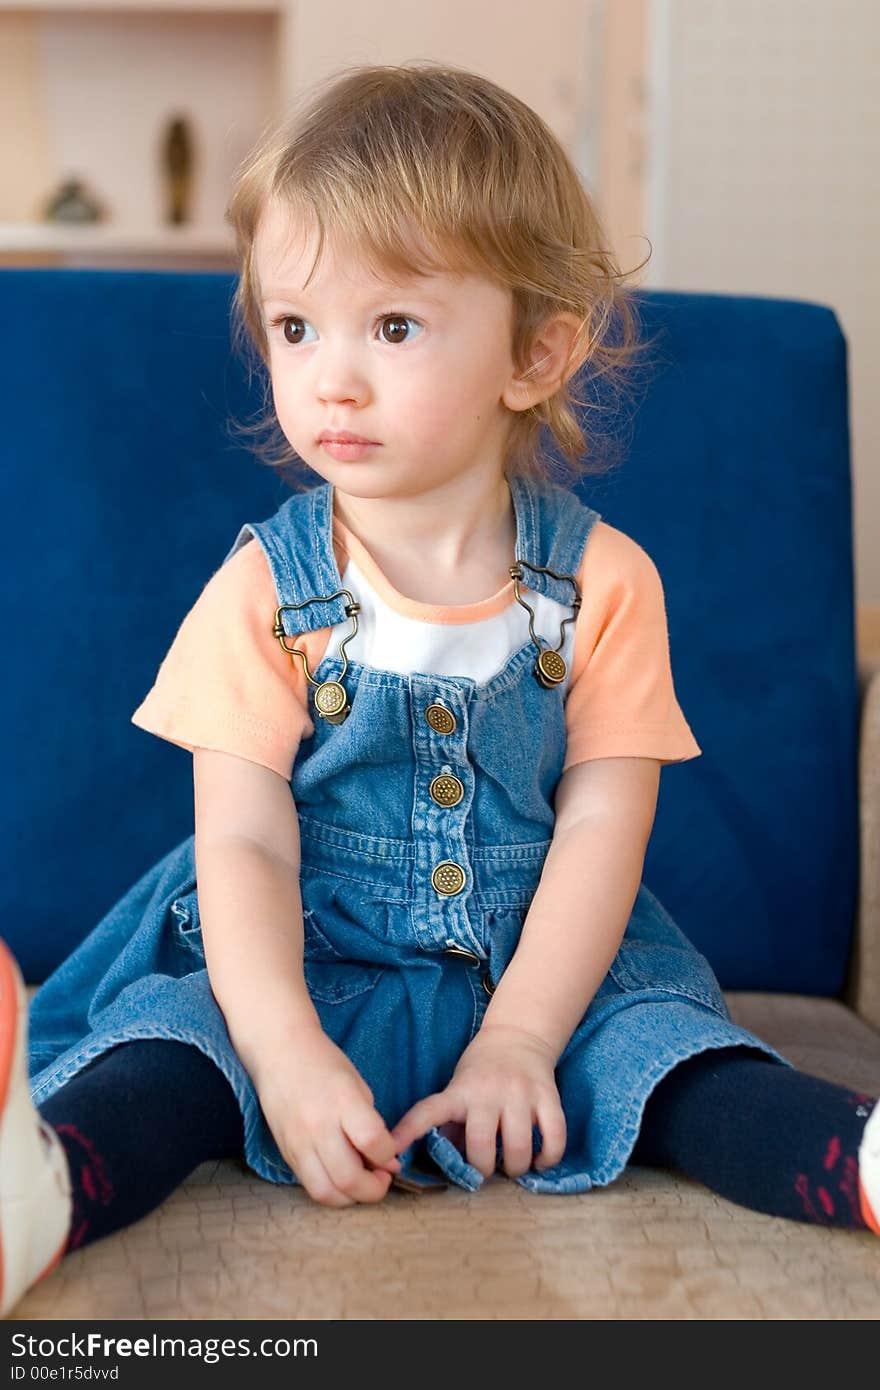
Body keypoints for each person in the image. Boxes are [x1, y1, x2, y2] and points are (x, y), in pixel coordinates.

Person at [2, 61, 878, 1319]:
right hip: (300, 959)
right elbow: (242, 842)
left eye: (393, 327)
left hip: (547, 970)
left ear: (535, 353)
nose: (331, 380)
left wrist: (522, 1040)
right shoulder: (263, 587)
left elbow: (600, 831)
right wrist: (290, 1054)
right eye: (297, 328)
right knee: (170, 1049)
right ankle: (48, 1191)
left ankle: (855, 1158)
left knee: (675, 1058)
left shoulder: (602, 585)